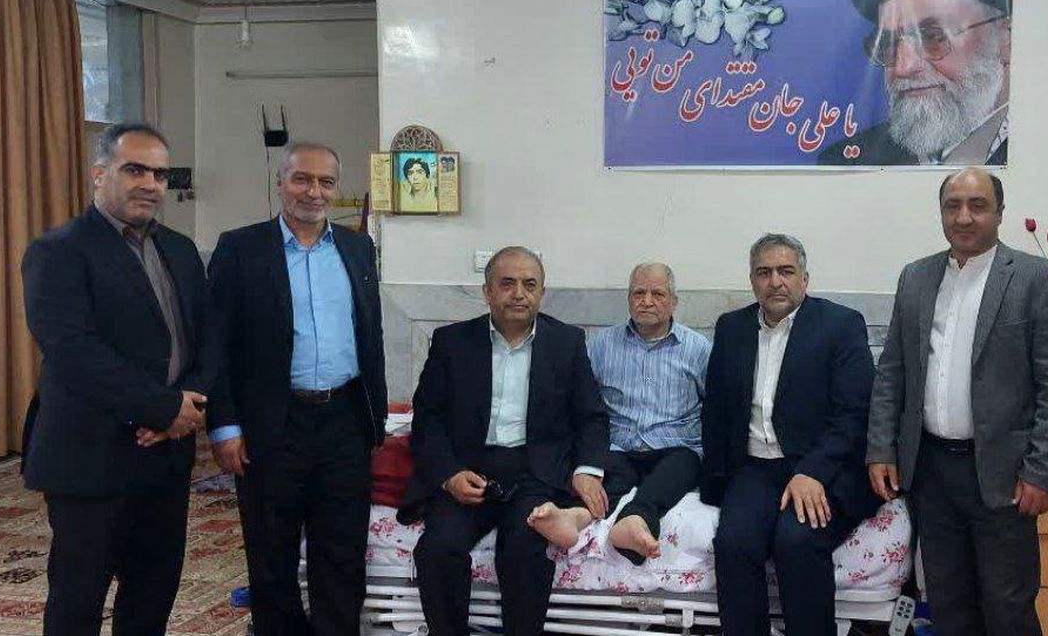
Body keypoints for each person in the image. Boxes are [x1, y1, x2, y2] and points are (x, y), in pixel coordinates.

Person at [21, 123, 219, 635]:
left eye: (159, 173)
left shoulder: (181, 250)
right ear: (99, 174)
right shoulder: (59, 251)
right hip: (91, 457)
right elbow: (73, 351)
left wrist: (188, 407)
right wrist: (163, 409)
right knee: (78, 600)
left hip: (165, 457)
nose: (149, 183)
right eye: (135, 169)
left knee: (153, 594)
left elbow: (207, 339)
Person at [867, 168, 1048, 635]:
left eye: (977, 206)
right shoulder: (916, 277)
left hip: (1005, 475)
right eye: (953, 206)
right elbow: (892, 371)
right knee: (948, 603)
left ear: (1000, 212)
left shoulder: (1039, 281)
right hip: (931, 471)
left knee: (1008, 606)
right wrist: (881, 447)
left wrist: (1044, 470)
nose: (964, 217)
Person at [207, 141, 388, 635]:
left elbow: (370, 335)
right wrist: (224, 425)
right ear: (280, 182)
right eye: (302, 179)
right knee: (272, 553)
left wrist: (374, 420)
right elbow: (216, 344)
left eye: (326, 182)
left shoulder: (357, 248)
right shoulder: (240, 250)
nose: (314, 192)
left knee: (342, 552)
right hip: (272, 424)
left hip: (344, 422)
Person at [400, 246, 609, 636]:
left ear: (542, 292)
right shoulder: (452, 342)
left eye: (530, 284)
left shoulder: (566, 342)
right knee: (437, 549)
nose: (519, 294)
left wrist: (586, 471)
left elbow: (592, 417)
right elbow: (428, 419)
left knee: (524, 549)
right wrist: (449, 475)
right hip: (469, 472)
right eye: (507, 283)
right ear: (487, 292)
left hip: (534, 472)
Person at [703, 233, 879, 636]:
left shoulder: (840, 325)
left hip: (824, 468)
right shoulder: (732, 328)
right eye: (764, 273)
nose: (775, 282)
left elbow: (855, 415)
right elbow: (716, 409)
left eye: (786, 271)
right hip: (757, 468)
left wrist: (813, 471)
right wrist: (717, 482)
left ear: (804, 279)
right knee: (734, 543)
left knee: (796, 541)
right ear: (752, 281)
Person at [533, 262, 710, 564]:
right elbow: (582, 404)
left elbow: (715, 406)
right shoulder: (602, 345)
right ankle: (574, 517)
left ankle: (635, 519)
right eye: (639, 293)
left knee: (678, 469)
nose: (647, 301)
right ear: (629, 298)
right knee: (606, 480)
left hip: (676, 447)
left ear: (674, 301)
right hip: (619, 446)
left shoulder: (698, 348)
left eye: (658, 294)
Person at [819, 0, 1012, 166]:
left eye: (932, 37)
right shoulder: (851, 161)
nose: (903, 68)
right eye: (888, 43)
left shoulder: (1031, 153)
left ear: (1006, 36)